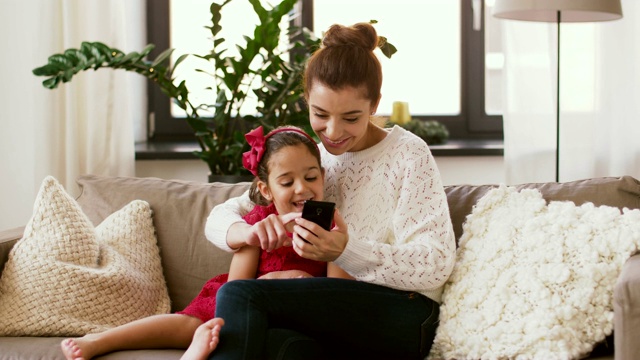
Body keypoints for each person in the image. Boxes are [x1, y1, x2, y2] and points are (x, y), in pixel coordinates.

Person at [204, 22, 457, 360]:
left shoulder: (407, 154)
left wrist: (346, 251)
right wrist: (249, 232)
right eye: (320, 114)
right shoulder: (312, 159)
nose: (333, 132)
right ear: (306, 100)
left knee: (238, 295)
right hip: (334, 315)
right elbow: (220, 216)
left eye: (351, 117)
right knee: (278, 345)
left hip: (406, 313)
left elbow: (436, 263)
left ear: (374, 104)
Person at [60, 125, 348, 360]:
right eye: (287, 182)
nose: (302, 188)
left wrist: (323, 259)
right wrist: (273, 279)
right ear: (266, 189)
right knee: (191, 323)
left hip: (296, 317)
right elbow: (236, 290)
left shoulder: (330, 225)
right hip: (245, 310)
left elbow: (338, 296)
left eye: (311, 177)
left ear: (322, 176)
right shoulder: (256, 224)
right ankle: (99, 340)